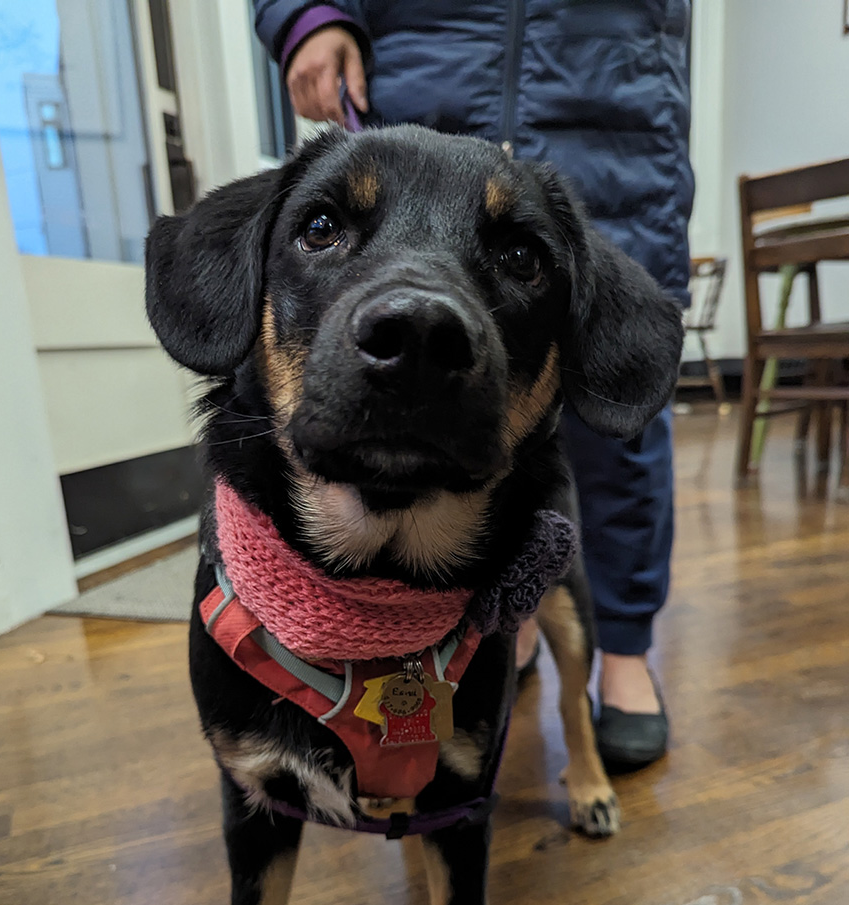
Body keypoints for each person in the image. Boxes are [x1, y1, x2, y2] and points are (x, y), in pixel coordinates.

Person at [254, 1, 694, 770]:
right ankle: (489, 629)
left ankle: (619, 648)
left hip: (608, 87)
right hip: (426, 57)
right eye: (321, 233)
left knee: (615, 424)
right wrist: (307, 12)